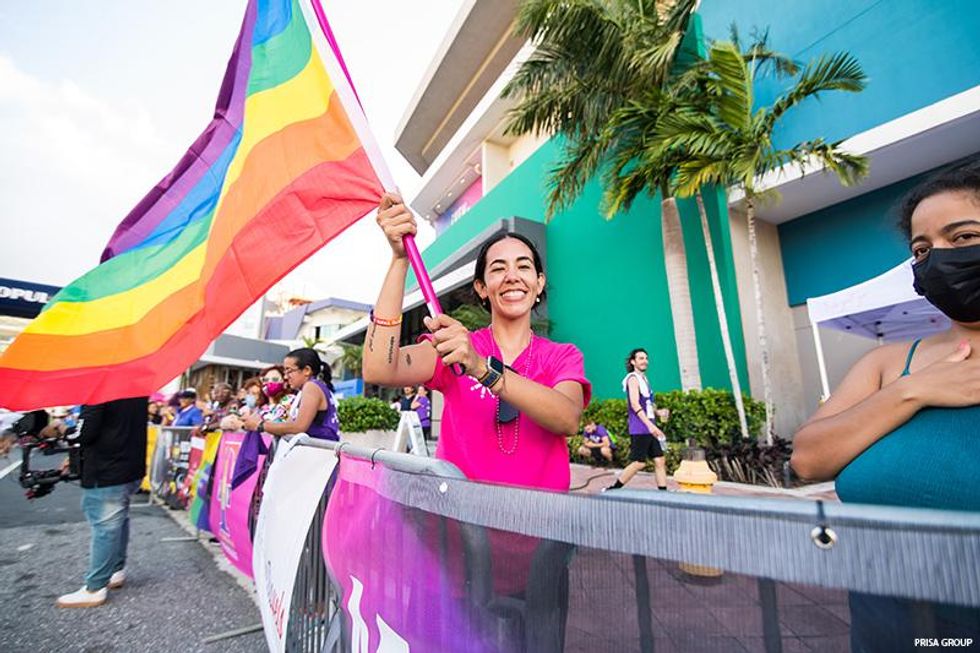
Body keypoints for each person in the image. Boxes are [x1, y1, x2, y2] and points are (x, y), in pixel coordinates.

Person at [791, 161, 980, 650]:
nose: (937, 258)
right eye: (922, 250)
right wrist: (912, 390)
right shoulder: (889, 363)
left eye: (962, 238)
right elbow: (808, 458)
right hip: (884, 632)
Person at [362, 192, 590, 490]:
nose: (512, 276)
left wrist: (482, 368)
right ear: (482, 288)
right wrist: (399, 261)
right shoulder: (455, 346)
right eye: (498, 269)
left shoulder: (562, 356)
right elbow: (379, 368)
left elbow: (568, 419)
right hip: (464, 526)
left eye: (523, 267)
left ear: (539, 282)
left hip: (542, 525)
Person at [55, 396, 148, 608]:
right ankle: (115, 570)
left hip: (106, 470)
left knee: (105, 527)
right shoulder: (137, 388)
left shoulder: (99, 390)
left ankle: (95, 587)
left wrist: (61, 427)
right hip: (130, 467)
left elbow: (83, 433)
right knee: (119, 519)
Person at [243, 348, 339, 441]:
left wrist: (260, 425)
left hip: (319, 452)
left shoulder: (311, 387)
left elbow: (299, 427)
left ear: (306, 370)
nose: (285, 376)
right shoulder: (308, 389)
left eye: (289, 371)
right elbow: (289, 423)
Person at [606, 348, 668, 491]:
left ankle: (663, 493)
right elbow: (634, 403)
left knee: (659, 460)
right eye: (641, 358)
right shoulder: (633, 379)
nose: (645, 361)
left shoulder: (644, 379)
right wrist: (650, 426)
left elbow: (648, 403)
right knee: (639, 463)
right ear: (633, 362)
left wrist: (659, 412)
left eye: (646, 358)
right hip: (641, 427)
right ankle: (613, 489)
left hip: (650, 426)